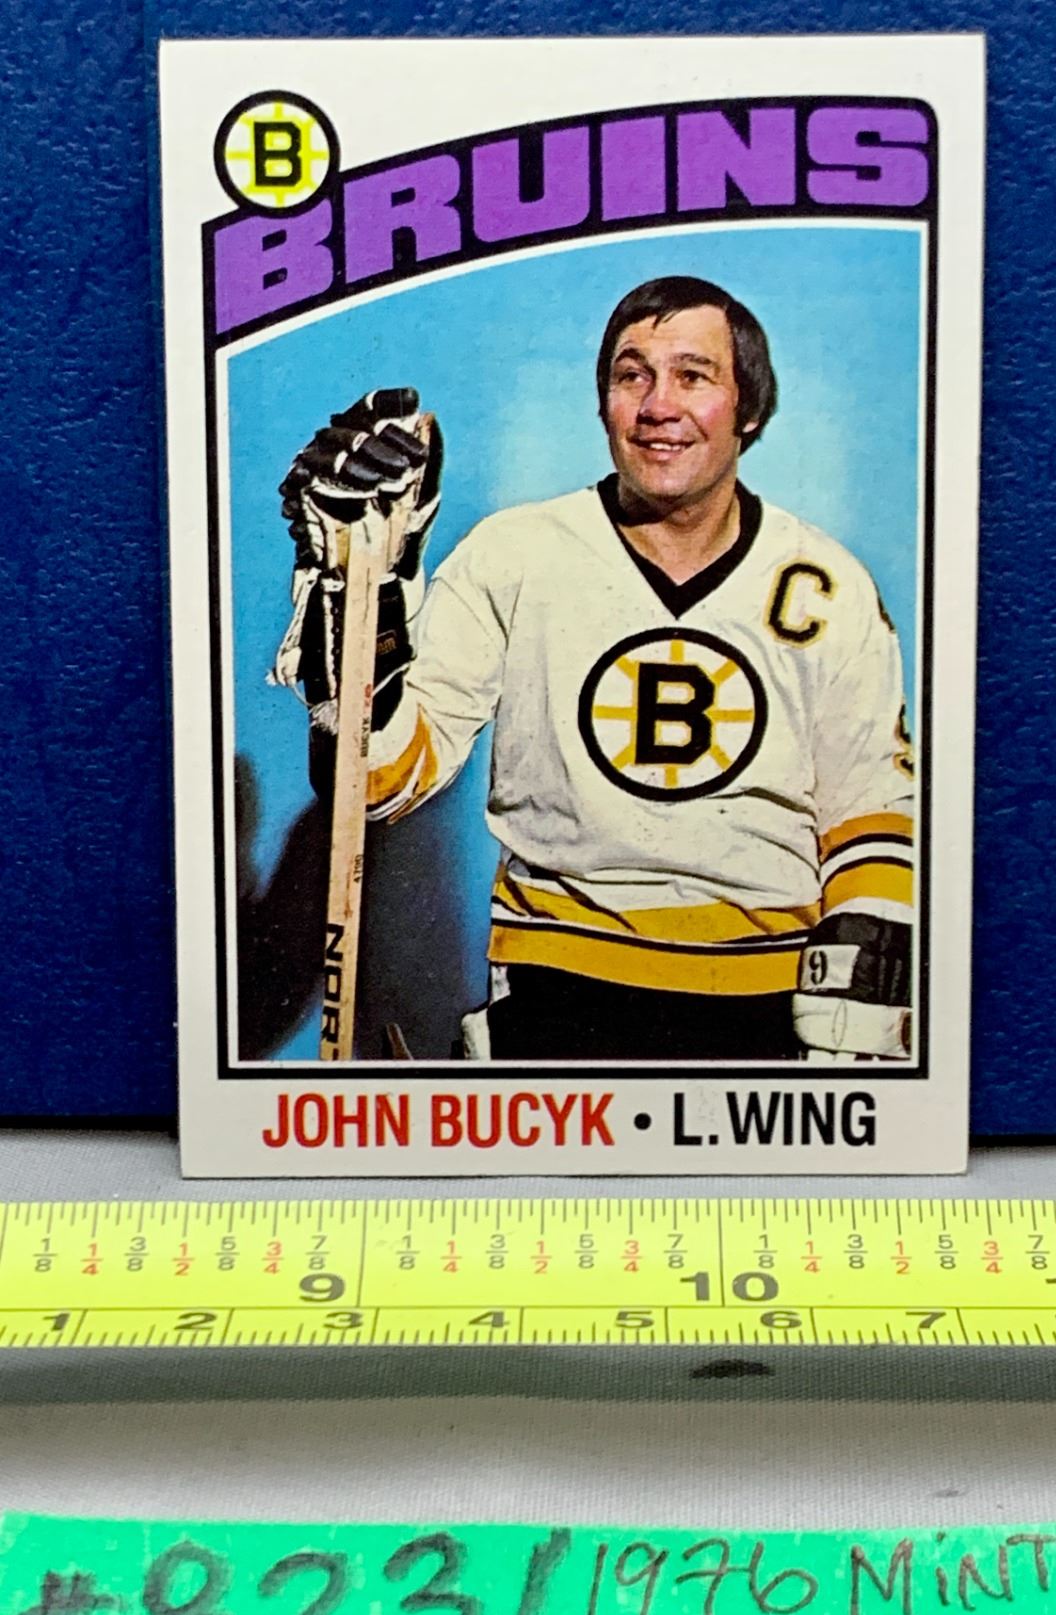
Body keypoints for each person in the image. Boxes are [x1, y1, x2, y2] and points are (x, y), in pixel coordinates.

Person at [272, 275, 914, 1061]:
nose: (657, 406)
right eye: (631, 375)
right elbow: (373, 781)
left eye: (693, 376)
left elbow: (870, 802)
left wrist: (866, 974)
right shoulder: (514, 554)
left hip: (771, 1001)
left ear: (748, 408)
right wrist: (357, 591)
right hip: (557, 991)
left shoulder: (825, 582)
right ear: (603, 402)